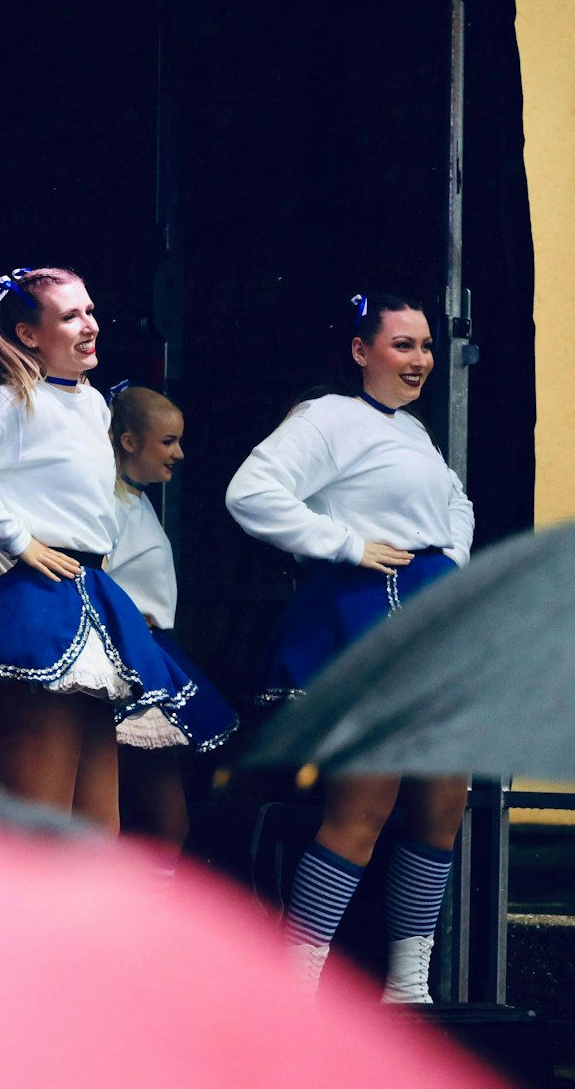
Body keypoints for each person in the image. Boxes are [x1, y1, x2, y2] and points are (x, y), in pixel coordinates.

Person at [226, 292, 472, 1002]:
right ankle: (296, 985)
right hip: (367, 612)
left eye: (426, 345)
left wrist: (448, 559)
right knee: (364, 804)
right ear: (362, 351)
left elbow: (455, 502)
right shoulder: (327, 418)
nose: (420, 359)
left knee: (441, 800)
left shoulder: (416, 431)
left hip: (426, 614)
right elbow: (252, 493)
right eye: (403, 345)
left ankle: (410, 983)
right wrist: (344, 544)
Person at [0, 267, 197, 831]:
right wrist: (16, 537)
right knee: (44, 821)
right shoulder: (14, 403)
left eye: (89, 311)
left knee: (97, 826)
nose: (89, 325)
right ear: (29, 335)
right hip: (45, 605)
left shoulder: (89, 405)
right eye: (69, 316)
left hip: (84, 594)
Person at [104, 385, 237, 873]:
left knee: (151, 821)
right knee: (156, 821)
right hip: (128, 659)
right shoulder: (109, 505)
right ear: (129, 441)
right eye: (168, 442)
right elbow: (88, 574)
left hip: (151, 653)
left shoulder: (135, 501)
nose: (179, 453)